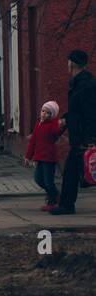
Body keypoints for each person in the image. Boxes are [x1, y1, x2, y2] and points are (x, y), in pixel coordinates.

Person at [55, 49, 96, 215]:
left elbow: (90, 114)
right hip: (80, 136)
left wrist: (90, 140)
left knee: (72, 172)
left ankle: (66, 205)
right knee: (76, 172)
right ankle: (66, 205)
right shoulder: (81, 84)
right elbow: (77, 110)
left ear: (71, 64)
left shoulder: (85, 86)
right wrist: (65, 120)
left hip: (82, 139)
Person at [25, 100, 64, 212]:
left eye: (47, 112)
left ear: (52, 115)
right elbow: (33, 141)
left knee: (48, 181)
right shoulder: (38, 124)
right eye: (43, 111)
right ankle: (55, 195)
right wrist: (28, 156)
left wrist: (58, 125)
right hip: (39, 157)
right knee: (38, 179)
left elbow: (55, 134)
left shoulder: (53, 125)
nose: (43, 114)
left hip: (49, 158)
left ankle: (53, 200)